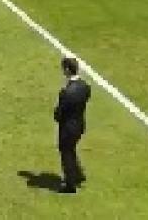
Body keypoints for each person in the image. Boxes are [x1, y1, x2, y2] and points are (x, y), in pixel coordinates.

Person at [53, 56, 91, 194]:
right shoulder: (85, 87)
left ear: (68, 70)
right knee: (71, 149)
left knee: (66, 153)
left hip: (68, 128)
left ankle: (70, 184)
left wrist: (57, 114)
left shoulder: (66, 92)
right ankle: (79, 175)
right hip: (79, 125)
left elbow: (58, 114)